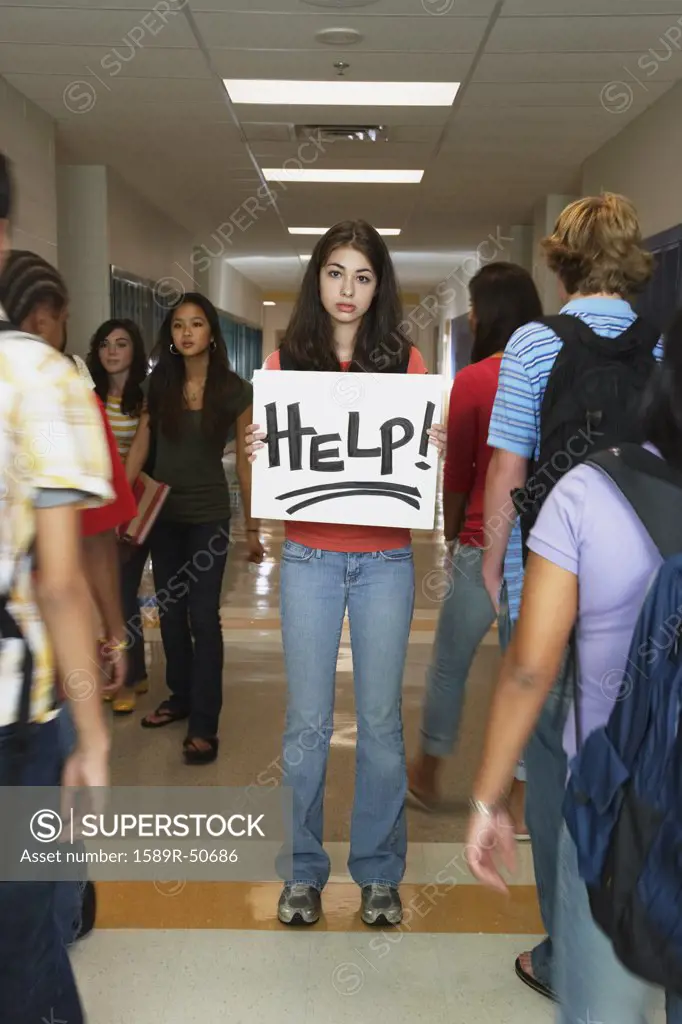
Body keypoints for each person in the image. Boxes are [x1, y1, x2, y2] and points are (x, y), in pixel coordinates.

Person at [465, 308, 682, 1024]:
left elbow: (530, 669)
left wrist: (490, 801)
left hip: (614, 802)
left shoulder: (588, 491)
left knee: (600, 1010)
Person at [246, 220, 446, 927]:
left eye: (363, 276)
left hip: (385, 559)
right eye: (336, 273)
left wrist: (434, 443)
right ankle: (301, 871)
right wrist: (257, 445)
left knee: (382, 723)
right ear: (317, 279)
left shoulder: (408, 365)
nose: (348, 290)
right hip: (307, 556)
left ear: (379, 287)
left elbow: (420, 463)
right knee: (305, 722)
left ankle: (379, 873)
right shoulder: (281, 366)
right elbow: (268, 468)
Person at [0, 152, 113, 1024]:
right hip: (16, 717)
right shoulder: (39, 376)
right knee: (21, 940)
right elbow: (62, 584)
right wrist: (92, 735)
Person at [0, 248, 139, 947]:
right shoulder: (51, 387)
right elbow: (75, 562)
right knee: (32, 913)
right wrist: (112, 638)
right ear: (45, 319)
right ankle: (64, 912)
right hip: (24, 686)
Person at [407, 262, 541, 826]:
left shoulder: (475, 380)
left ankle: (429, 770)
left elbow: (458, 474)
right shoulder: (549, 369)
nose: (468, 314)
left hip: (482, 543)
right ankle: (517, 794)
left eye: (474, 304)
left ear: (488, 312)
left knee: (449, 665)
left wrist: (453, 532)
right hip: (541, 549)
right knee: (528, 670)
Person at [126, 292, 264, 765]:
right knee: (169, 610)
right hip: (162, 515)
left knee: (203, 617)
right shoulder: (157, 385)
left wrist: (255, 527)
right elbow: (142, 446)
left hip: (208, 515)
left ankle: (204, 724)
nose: (186, 332)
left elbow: (246, 463)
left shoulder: (234, 389)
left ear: (211, 334)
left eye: (197, 324)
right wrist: (119, 506)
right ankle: (179, 696)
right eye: (179, 325)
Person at [87, 318, 150, 713]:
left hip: (130, 507)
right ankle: (116, 673)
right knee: (99, 595)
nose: (112, 351)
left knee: (123, 593)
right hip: (93, 506)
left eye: (121, 344)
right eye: (105, 344)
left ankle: (128, 678)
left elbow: (138, 453)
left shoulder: (145, 399)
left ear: (134, 351)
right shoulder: (86, 395)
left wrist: (116, 509)